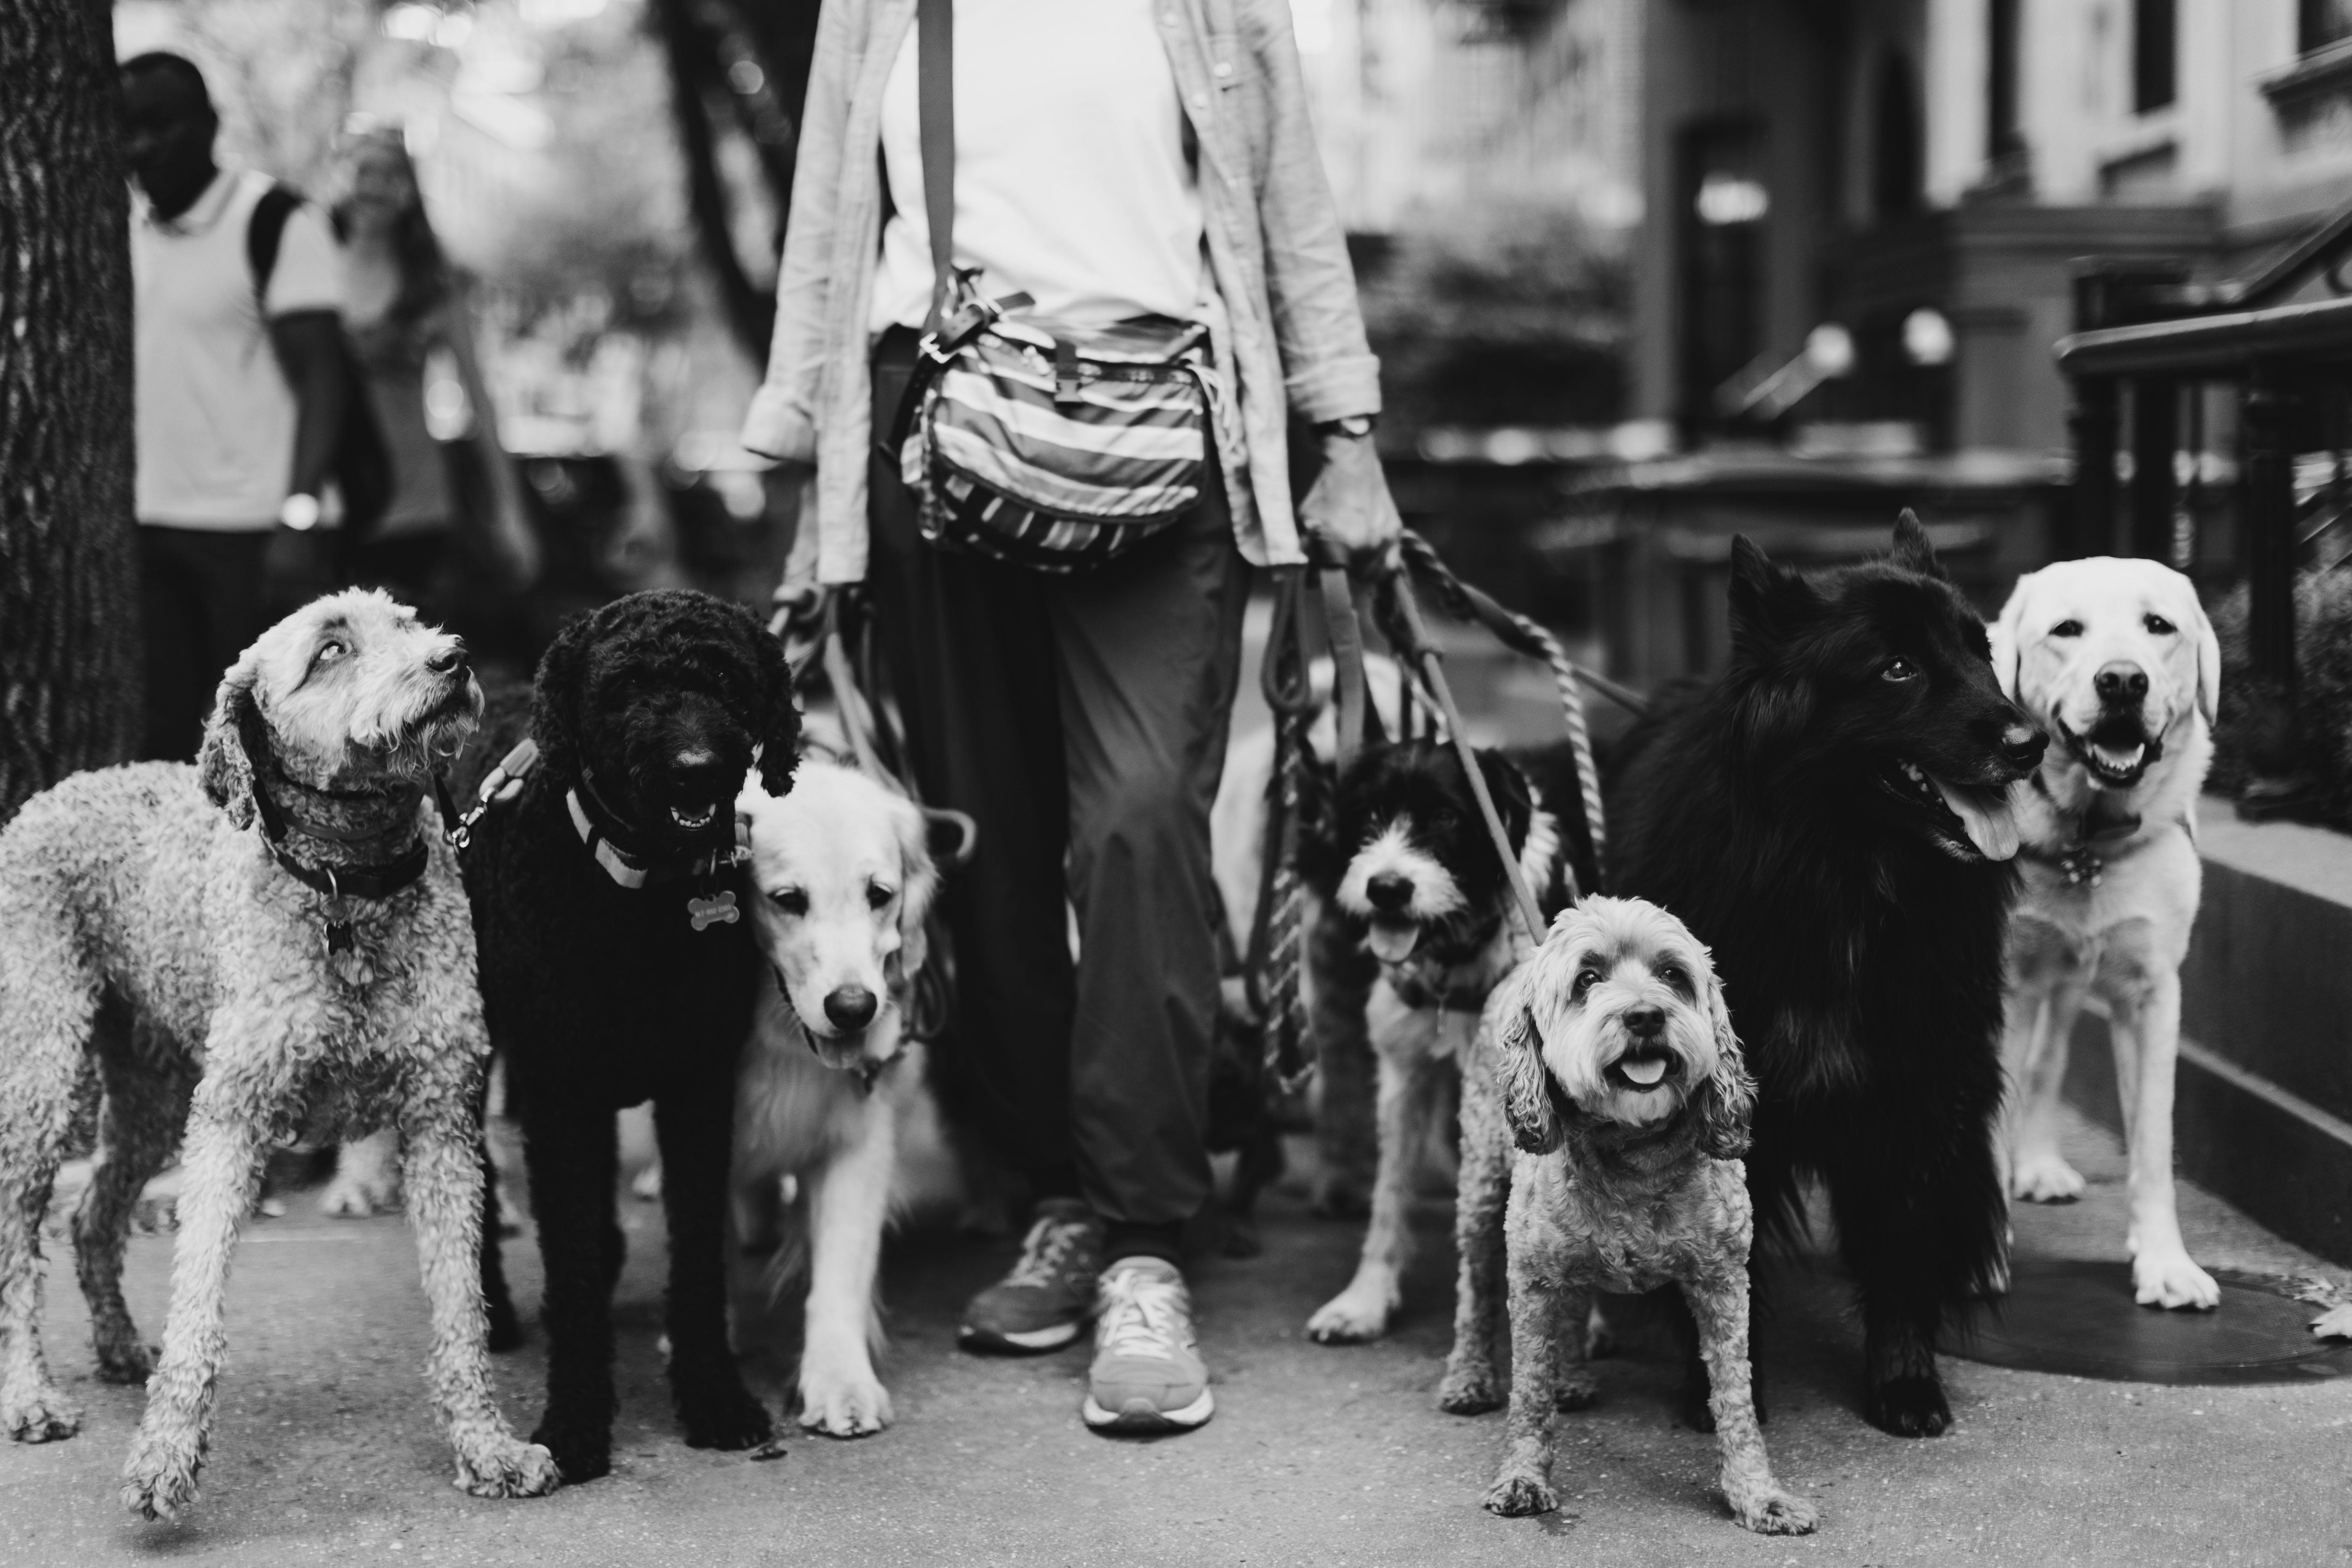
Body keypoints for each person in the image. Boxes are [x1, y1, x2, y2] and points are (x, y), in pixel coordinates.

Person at [742, 0, 1401, 1436]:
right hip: (937, 434)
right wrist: (804, 461)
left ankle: (1146, 1230)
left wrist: (1343, 434)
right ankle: (1054, 1192)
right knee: (979, 851)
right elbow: (829, 231)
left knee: (1140, 825)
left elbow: (1289, 203)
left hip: (1166, 438)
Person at [121, 51, 349, 761]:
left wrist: (298, 514)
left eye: (162, 123)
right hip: (149, 527)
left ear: (210, 124)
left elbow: (325, 378)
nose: (143, 145)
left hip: (249, 539)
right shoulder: (122, 233)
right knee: (166, 739)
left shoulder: (273, 220)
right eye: (126, 127)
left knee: (265, 745)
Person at [331, 126, 538, 617]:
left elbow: (479, 399)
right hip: (329, 499)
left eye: (393, 175)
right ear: (341, 175)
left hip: (413, 503)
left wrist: (510, 512)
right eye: (365, 171)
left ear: (410, 191)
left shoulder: (432, 280)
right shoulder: (308, 260)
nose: (377, 186)